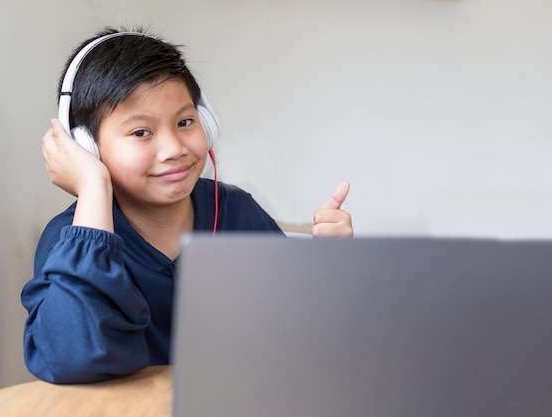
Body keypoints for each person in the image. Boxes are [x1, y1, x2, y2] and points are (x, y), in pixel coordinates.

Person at [21, 27, 353, 384]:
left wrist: (331, 271)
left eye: (185, 122)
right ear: (86, 147)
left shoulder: (237, 212)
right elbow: (73, 359)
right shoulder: (68, 238)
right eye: (141, 132)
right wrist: (93, 187)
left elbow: (300, 336)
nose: (175, 149)